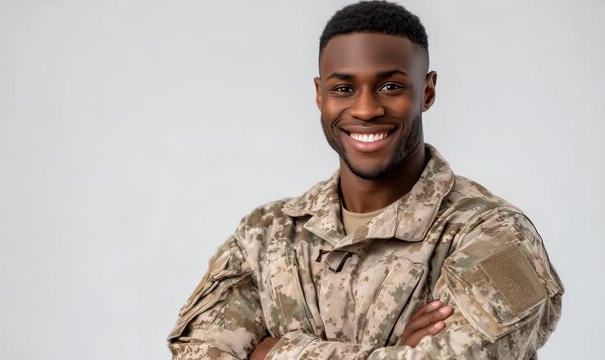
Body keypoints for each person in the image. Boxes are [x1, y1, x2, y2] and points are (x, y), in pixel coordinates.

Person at [166, 1, 563, 359]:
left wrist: (273, 353)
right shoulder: (266, 234)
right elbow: (197, 352)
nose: (367, 109)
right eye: (344, 88)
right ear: (320, 96)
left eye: (390, 86)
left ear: (427, 91)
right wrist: (389, 353)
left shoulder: (497, 236)